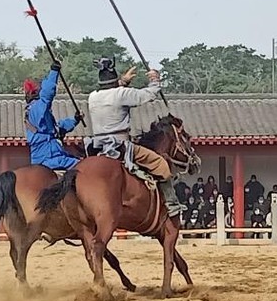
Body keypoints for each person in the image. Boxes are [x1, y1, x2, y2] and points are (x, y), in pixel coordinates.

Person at [86, 57, 184, 217]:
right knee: (161, 164)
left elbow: (112, 93)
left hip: (98, 146)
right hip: (120, 145)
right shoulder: (121, 94)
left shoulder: (92, 97)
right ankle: (172, 204)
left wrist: (122, 81)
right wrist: (155, 80)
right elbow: (146, 95)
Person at [23, 61, 82, 171]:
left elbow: (58, 128)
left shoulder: (36, 112)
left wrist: (75, 120)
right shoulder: (37, 107)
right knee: (84, 167)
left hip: (48, 155)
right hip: (49, 157)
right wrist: (54, 72)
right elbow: (47, 95)